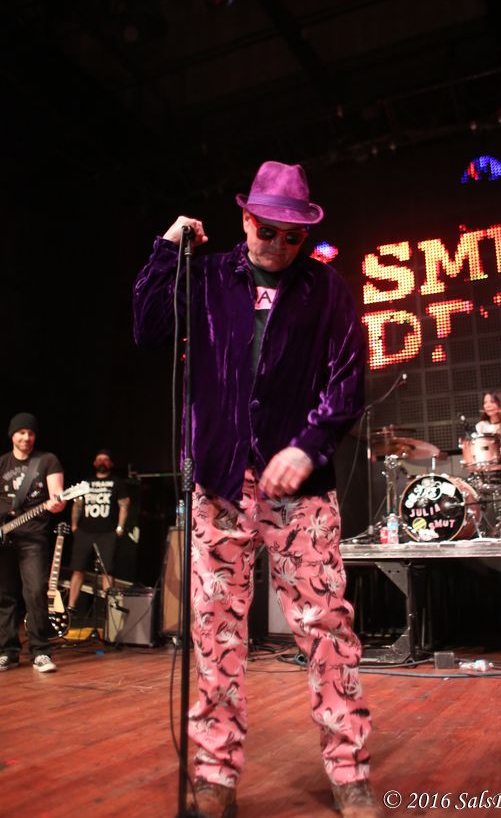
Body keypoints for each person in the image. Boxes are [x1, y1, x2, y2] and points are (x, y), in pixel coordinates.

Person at [133, 161, 381, 818]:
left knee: (327, 629)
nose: (278, 245)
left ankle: (349, 771)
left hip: (302, 490)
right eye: (267, 231)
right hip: (219, 481)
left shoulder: (327, 291)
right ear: (245, 219)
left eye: (292, 236)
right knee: (215, 633)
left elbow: (348, 382)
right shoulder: (209, 276)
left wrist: (307, 446)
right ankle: (214, 774)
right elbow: (148, 327)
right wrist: (167, 250)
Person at [0, 412, 65, 673]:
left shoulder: (47, 460)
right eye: (21, 432)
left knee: (36, 592)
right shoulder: (2, 463)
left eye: (31, 433)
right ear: (12, 435)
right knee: (5, 596)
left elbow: (57, 498)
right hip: (4, 536)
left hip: (33, 537)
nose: (26, 437)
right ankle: (8, 651)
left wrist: (57, 502)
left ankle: (41, 652)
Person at [68, 449, 131, 611]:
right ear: (94, 463)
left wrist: (120, 527)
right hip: (85, 531)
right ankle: (71, 608)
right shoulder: (86, 482)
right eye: (99, 459)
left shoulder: (117, 482)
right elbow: (77, 504)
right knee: (78, 569)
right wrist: (74, 525)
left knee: (107, 571)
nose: (102, 462)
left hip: (107, 533)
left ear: (111, 463)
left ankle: (110, 611)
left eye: (105, 459)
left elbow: (124, 505)